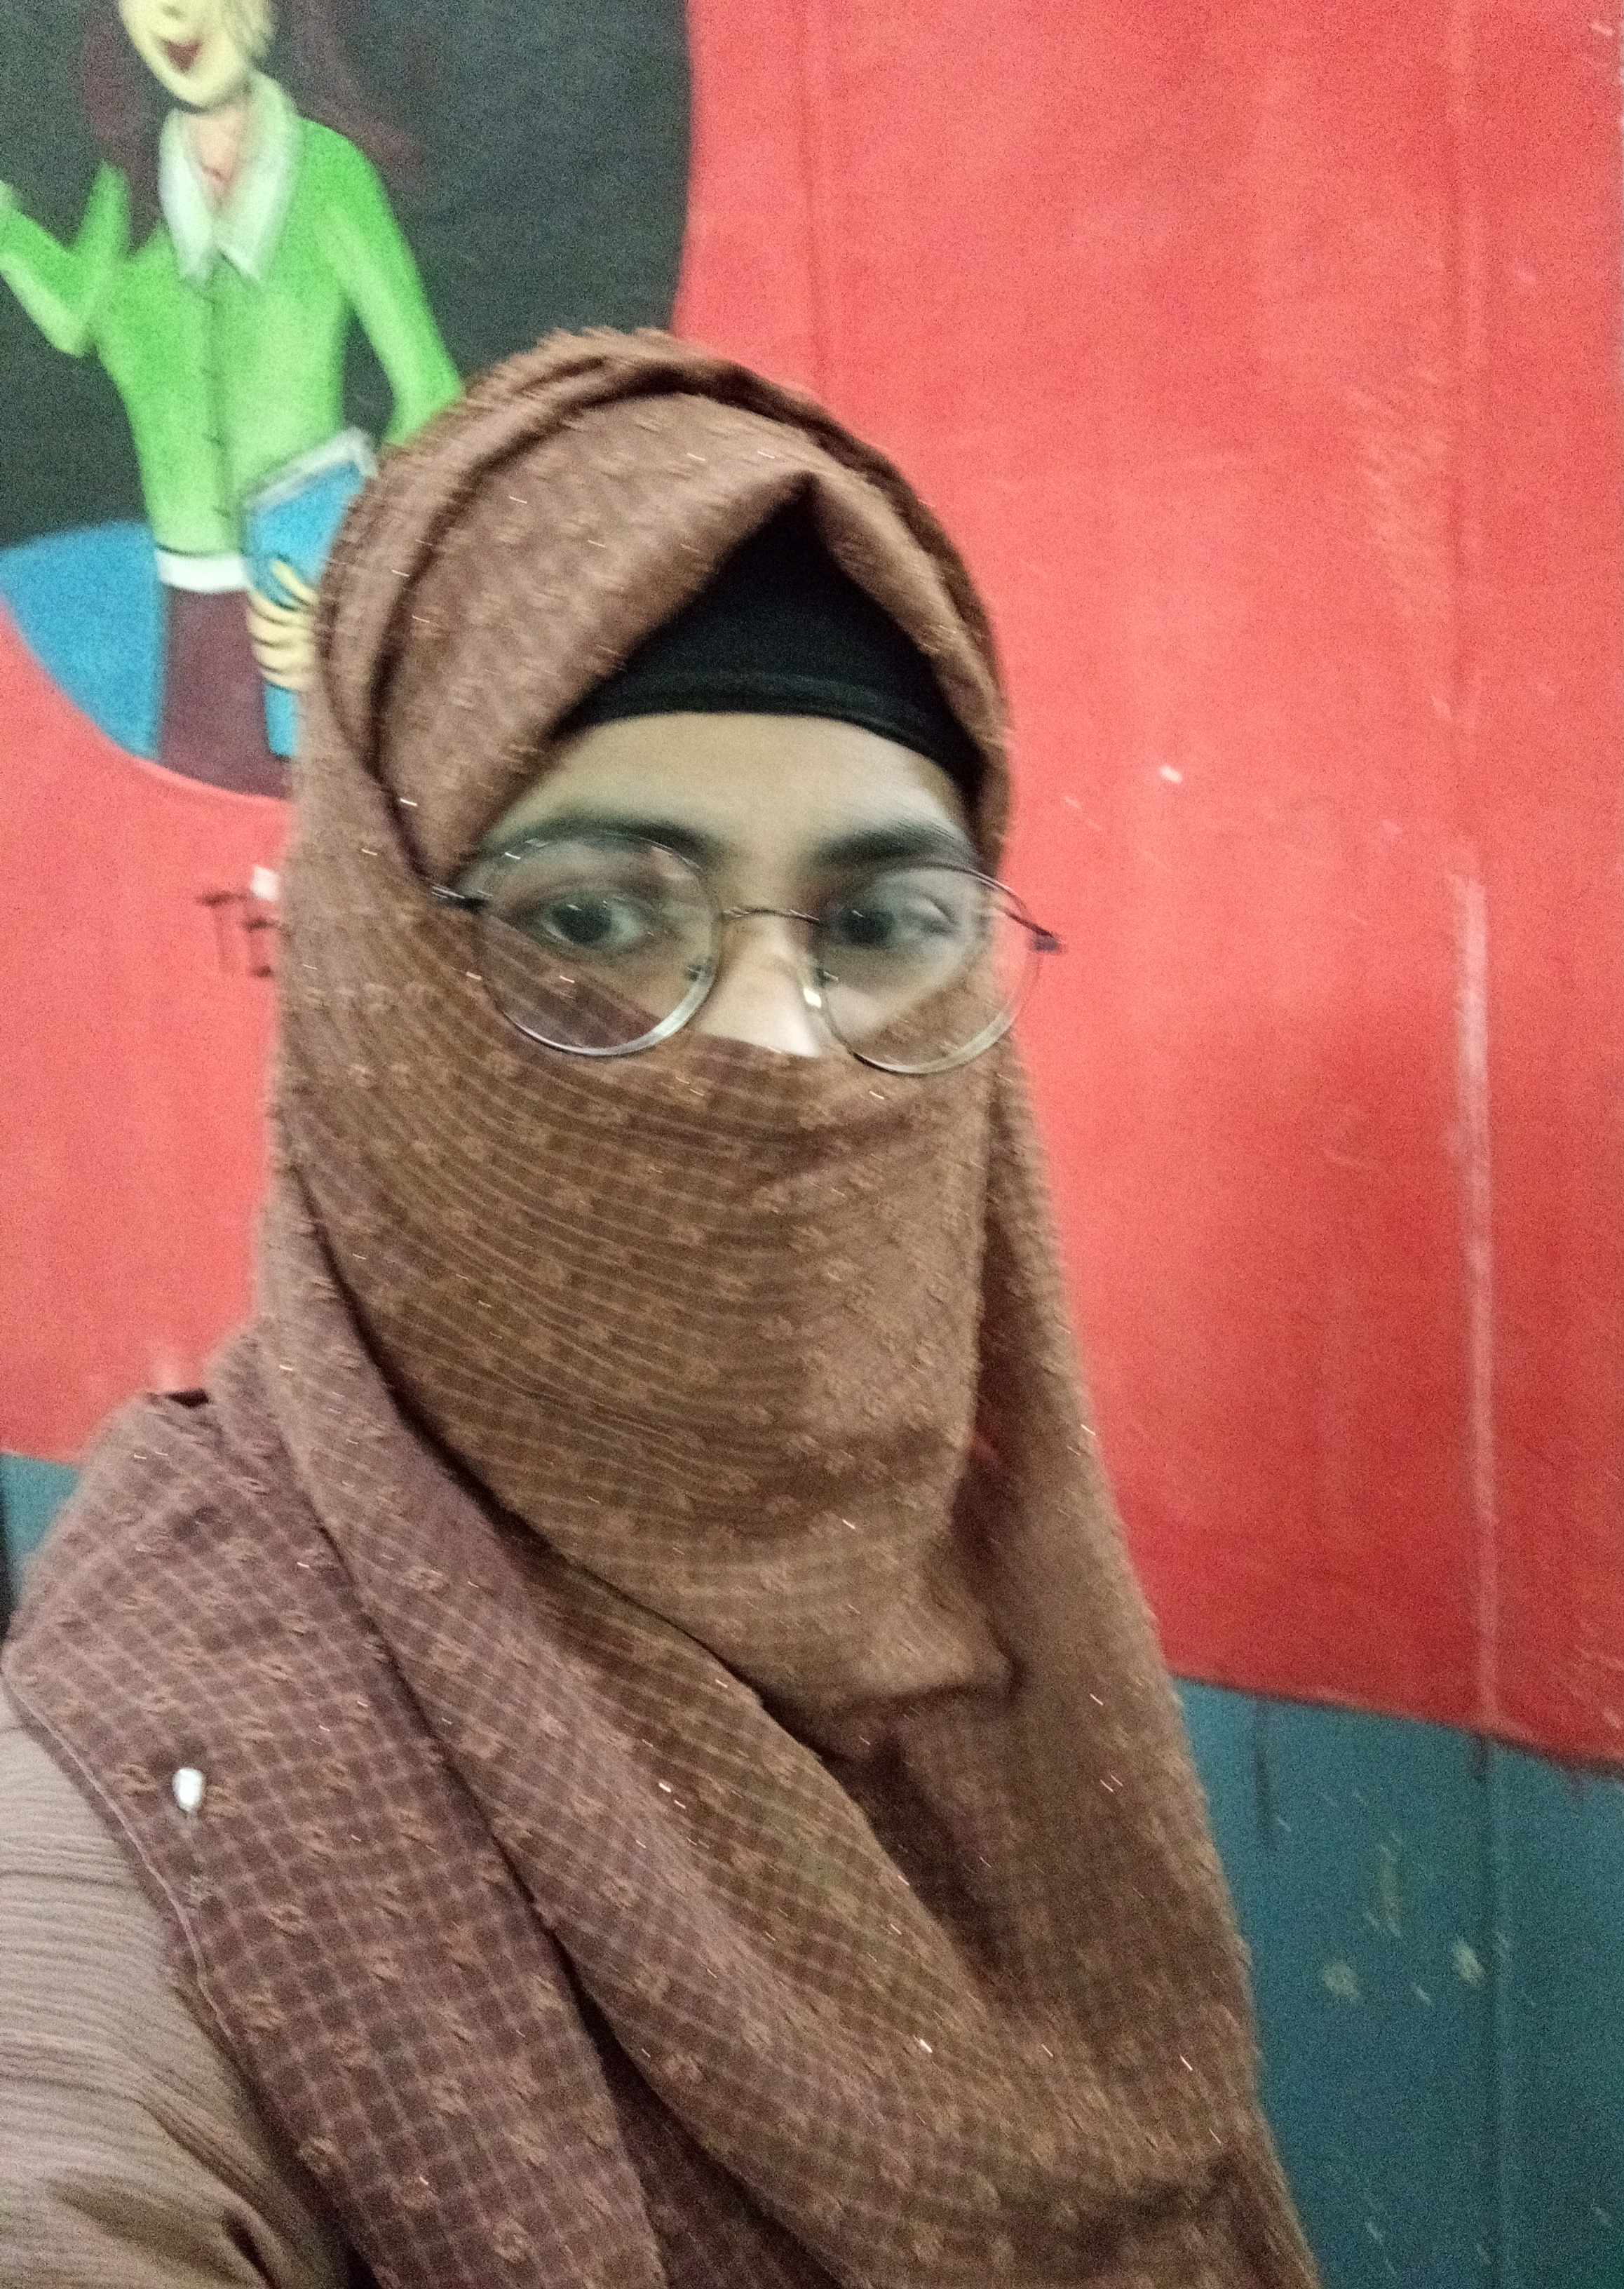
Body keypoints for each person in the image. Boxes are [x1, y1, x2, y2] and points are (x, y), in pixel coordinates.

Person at [0, 330, 1320, 2288]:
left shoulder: (990, 1665)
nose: (778, 1046)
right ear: (378, 983)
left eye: (881, 925)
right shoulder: (159, 1858)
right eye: (595, 918)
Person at [0, 0, 459, 794]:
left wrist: (354, 591)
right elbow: (78, 317)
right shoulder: (130, 182)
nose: (174, 11)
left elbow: (432, 392)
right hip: (189, 609)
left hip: (303, 601)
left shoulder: (329, 172)